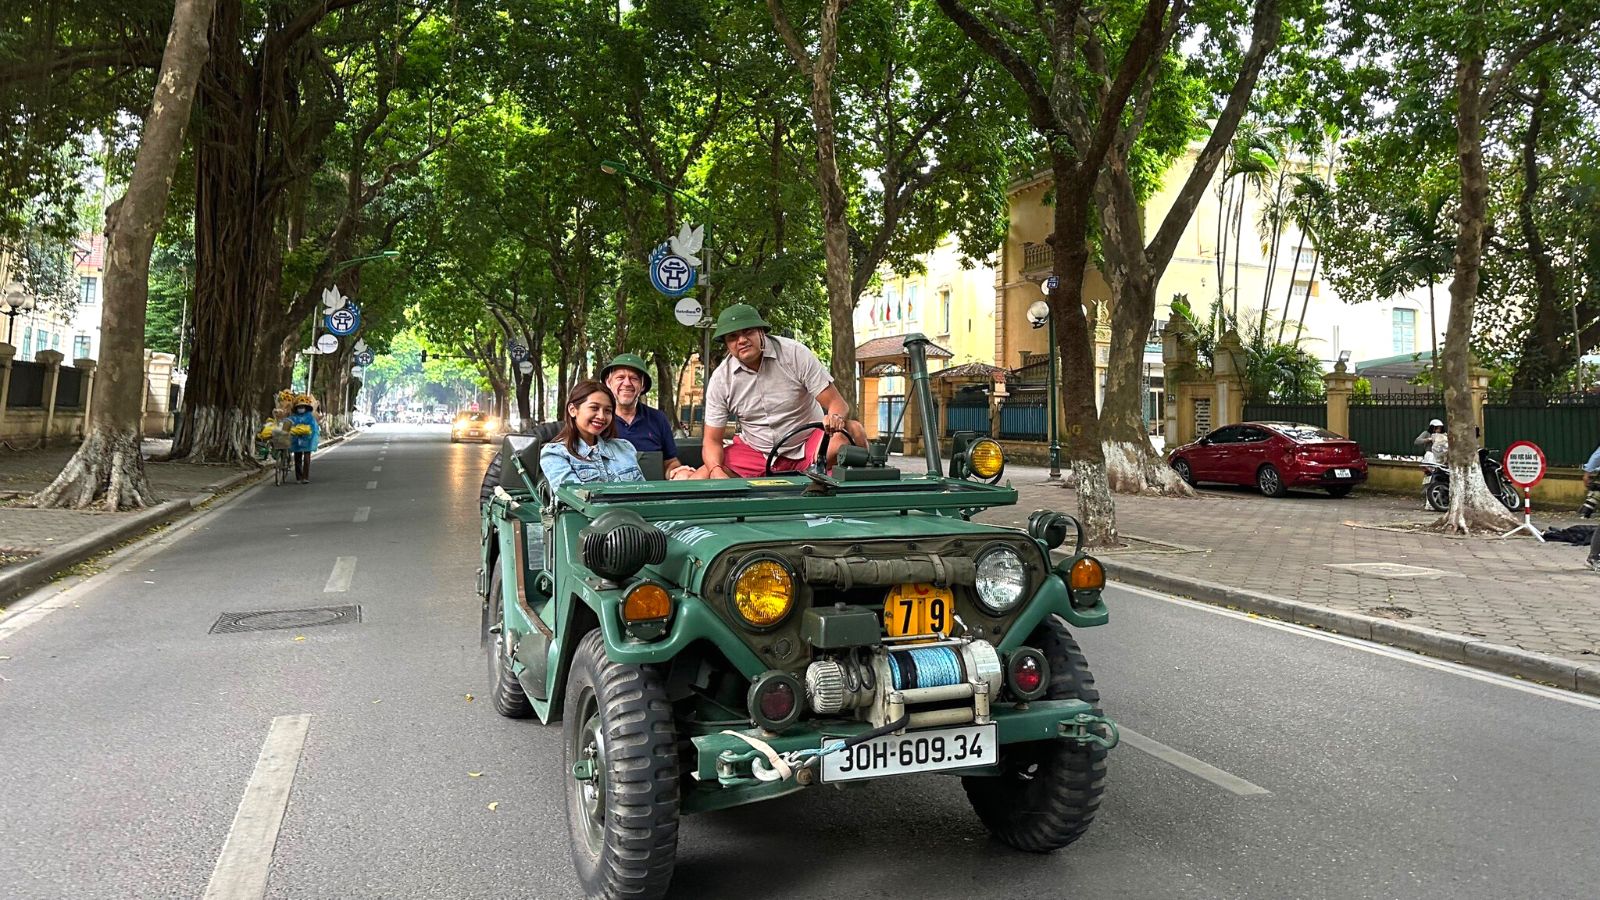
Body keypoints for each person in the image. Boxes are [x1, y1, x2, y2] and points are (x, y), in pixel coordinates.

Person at [696, 303, 867, 479]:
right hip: (756, 452)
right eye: (733, 337)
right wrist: (716, 471)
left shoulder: (794, 354)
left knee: (852, 431)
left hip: (809, 444)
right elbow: (711, 440)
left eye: (748, 332)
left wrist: (835, 418)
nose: (741, 340)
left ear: (761, 332)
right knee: (702, 476)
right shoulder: (720, 380)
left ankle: (864, 494)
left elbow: (836, 403)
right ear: (727, 344)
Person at [600, 353, 693, 480]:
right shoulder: (598, 420)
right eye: (620, 377)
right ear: (608, 382)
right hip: (609, 495)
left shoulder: (658, 419)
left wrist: (678, 473)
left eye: (634, 378)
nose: (627, 383)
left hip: (652, 495)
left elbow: (670, 461)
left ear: (642, 385)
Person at [539, 380, 647, 488]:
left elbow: (645, 493)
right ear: (572, 410)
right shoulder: (555, 453)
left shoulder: (625, 448)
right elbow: (574, 499)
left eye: (607, 411)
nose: (601, 416)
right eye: (594, 408)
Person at [287, 394, 320, 483]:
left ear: (305, 407)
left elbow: (313, 428)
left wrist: (308, 433)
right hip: (296, 439)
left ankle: (305, 477)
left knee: (306, 458)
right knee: (297, 458)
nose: (300, 408)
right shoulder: (293, 417)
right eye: (299, 407)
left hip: (307, 439)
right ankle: (299, 477)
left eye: (302, 406)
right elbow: (289, 423)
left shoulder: (310, 417)